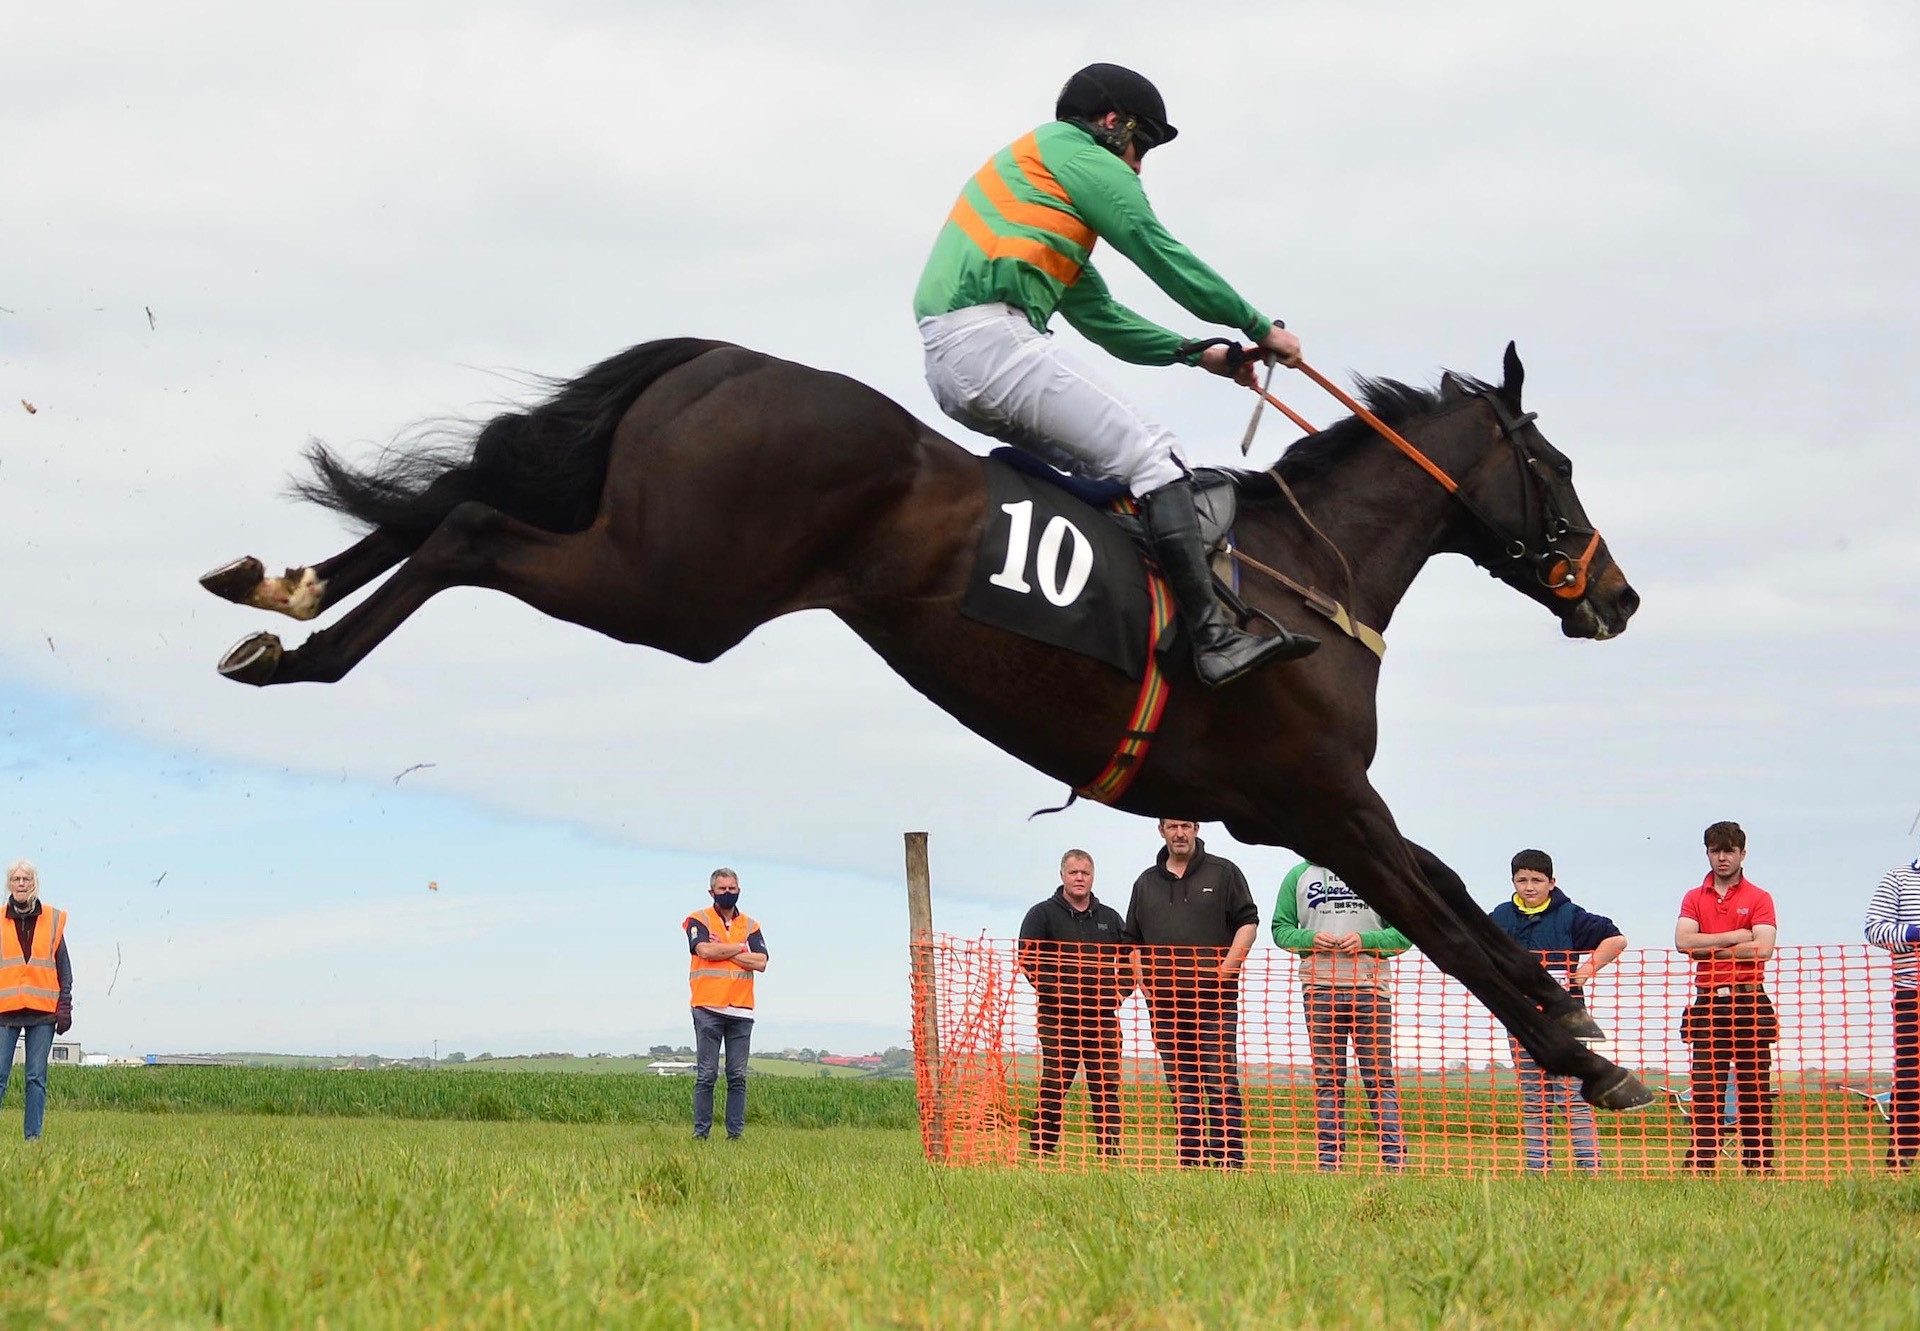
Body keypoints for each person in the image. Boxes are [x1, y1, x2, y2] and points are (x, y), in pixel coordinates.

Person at [914, 63, 1320, 686]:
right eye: (1141, 147)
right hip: (993, 342)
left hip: (955, 365)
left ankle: (1120, 622)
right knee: (1158, 457)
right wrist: (1259, 326)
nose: (1138, 167)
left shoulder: (1040, 193)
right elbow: (1156, 247)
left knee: (1121, 478)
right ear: (1113, 123)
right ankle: (1213, 639)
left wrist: (1199, 354)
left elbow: (1101, 317)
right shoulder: (1074, 152)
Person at [1121, 818, 1258, 1167]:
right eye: (1172, 827)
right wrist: (1143, 981)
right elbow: (1132, 941)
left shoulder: (1224, 873)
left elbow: (1248, 923)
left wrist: (1226, 970)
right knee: (1182, 1086)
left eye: (1185, 826)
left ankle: (1229, 1162)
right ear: (1161, 831)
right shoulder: (1145, 883)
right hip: (1164, 1006)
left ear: (1196, 829)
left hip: (1215, 1002)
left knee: (1220, 1081)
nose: (1179, 833)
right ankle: (1191, 1162)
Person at [1487, 849, 1627, 1173]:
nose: (1529, 887)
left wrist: (1586, 970)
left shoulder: (1570, 915)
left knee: (1572, 1095)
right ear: (1513, 881)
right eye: (1522, 880)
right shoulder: (1501, 916)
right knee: (1534, 1098)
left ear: (1552, 882)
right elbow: (1479, 946)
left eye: (1537, 880)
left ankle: (1590, 1168)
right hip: (1521, 1020)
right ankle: (1538, 1170)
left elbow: (1616, 940)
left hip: (1567, 1021)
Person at [1271, 860, 1410, 1172]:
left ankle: (1395, 1162)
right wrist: (1308, 939)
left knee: (1378, 1077)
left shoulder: (1377, 872)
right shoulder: (1297, 876)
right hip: (1319, 988)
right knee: (1328, 1079)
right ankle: (1329, 1162)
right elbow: (1280, 929)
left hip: (1370, 989)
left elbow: (1404, 935)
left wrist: (1366, 940)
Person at [1674, 821, 1778, 1174]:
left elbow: (1763, 949)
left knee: (1755, 1090)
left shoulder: (1760, 897)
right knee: (1705, 1090)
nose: (1722, 858)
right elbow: (1683, 942)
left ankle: (1759, 1167)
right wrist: (1736, 936)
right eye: (1715, 851)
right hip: (1708, 1002)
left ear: (1742, 854)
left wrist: (1708, 947)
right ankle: (1700, 1167)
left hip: (1750, 1002)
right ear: (1707, 853)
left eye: (1729, 851)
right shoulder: (1693, 897)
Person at [1016, 849, 1132, 1158]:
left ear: (1093, 877)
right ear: (1062, 876)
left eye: (1085, 873)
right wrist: (1058, 993)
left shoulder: (1110, 918)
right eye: (1073, 872)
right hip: (1057, 1019)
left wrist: (1119, 993)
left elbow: (1132, 961)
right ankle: (1042, 1150)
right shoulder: (1041, 914)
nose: (1079, 878)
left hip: (1102, 1019)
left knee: (1106, 1087)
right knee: (1055, 1084)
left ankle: (1110, 1153)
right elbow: (1028, 960)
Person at [682, 868, 767, 1141]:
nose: (728, 893)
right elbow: (704, 950)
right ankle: (701, 1135)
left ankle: (735, 1136)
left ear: (739, 890)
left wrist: (726, 949)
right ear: (712, 892)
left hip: (741, 1009)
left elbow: (761, 962)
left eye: (732, 888)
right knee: (707, 1075)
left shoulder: (751, 925)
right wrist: (741, 948)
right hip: (708, 1007)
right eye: (722, 889)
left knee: (737, 1076)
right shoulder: (698, 919)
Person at [0, 860, 73, 1142]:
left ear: (34, 883)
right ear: (9, 884)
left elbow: (64, 968)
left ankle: (33, 1138)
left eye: (26, 879)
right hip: (5, 1013)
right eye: (16, 879)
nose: (21, 883)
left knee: (36, 1078)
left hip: (42, 1013)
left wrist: (64, 1005)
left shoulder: (52, 919)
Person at [1864, 853, 1920, 1171]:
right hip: (1912, 995)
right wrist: (1913, 934)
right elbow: (1874, 929)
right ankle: (1899, 1163)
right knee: (1911, 1080)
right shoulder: (1898, 878)